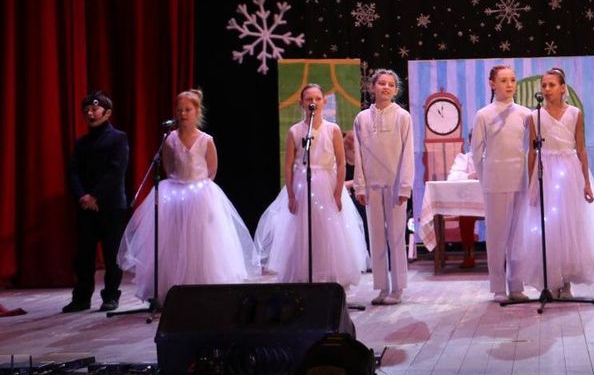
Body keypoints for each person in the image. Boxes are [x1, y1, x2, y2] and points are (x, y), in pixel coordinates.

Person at [117, 89, 258, 305]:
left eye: (188, 110)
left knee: (200, 243)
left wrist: (199, 189)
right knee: (174, 243)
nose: (183, 114)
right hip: (175, 193)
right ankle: (171, 291)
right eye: (179, 110)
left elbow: (212, 169)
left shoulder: (206, 140)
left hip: (200, 194)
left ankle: (203, 293)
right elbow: (167, 165)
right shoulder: (170, 139)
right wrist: (178, 184)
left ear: (197, 111)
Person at [512, 67, 594, 297]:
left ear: (563, 88)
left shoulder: (574, 113)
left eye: (552, 85)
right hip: (546, 171)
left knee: (570, 225)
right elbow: (532, 152)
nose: (547, 89)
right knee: (550, 227)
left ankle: (566, 282)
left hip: (569, 171)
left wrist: (586, 182)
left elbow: (581, 149)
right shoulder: (535, 116)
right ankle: (552, 280)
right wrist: (532, 182)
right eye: (544, 85)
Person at [255, 83, 368, 288]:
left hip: (327, 184)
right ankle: (304, 276)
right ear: (301, 103)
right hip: (302, 185)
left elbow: (341, 163)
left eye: (317, 99)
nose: (313, 102)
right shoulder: (296, 131)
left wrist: (337, 193)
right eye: (309, 99)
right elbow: (289, 165)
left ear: (324, 102)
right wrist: (291, 195)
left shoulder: (332, 129)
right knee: (303, 230)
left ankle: (329, 276)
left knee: (328, 230)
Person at [63, 91, 129, 313]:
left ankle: (110, 296)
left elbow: (115, 172)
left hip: (111, 206)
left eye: (94, 109)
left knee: (112, 255)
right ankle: (81, 298)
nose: (90, 114)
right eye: (86, 111)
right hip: (86, 206)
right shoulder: (82, 143)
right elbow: (73, 172)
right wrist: (82, 196)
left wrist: (95, 196)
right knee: (84, 255)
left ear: (107, 113)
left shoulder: (118, 138)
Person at [352, 69, 414, 305]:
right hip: (372, 186)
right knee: (376, 237)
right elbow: (358, 155)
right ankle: (381, 287)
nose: (386, 87)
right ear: (372, 87)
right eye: (382, 83)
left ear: (395, 90)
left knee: (396, 237)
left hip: (395, 185)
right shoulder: (362, 119)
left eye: (390, 84)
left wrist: (405, 187)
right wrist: (360, 186)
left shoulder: (402, 117)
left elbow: (407, 153)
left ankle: (397, 288)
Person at [471, 65, 532, 302]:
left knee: (518, 236)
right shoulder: (484, 114)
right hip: (495, 182)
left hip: (520, 180)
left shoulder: (525, 114)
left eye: (512, 80)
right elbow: (477, 153)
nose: (509, 85)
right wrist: (486, 178)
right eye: (504, 80)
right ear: (492, 84)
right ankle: (498, 287)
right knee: (497, 236)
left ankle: (516, 285)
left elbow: (529, 149)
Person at [445, 137, 480, 270]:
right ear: (470, 142)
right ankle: (469, 255)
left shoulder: (493, 156)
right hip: (470, 202)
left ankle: (500, 255)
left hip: (492, 201)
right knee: (466, 215)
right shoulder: (464, 159)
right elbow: (452, 178)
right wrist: (470, 176)